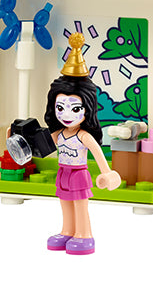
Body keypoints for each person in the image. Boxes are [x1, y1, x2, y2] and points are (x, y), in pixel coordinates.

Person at [43, 33, 121, 255]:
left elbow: (98, 154)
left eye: (75, 108)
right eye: (60, 108)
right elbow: (42, 146)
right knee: (65, 203)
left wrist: (107, 173)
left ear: (87, 108)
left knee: (80, 205)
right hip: (63, 172)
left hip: (78, 174)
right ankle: (67, 231)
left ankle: (84, 235)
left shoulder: (83, 136)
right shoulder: (59, 133)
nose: (66, 115)